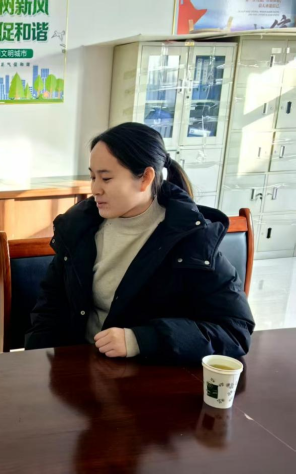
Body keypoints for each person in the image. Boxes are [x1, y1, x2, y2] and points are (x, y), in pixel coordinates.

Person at [25, 122, 254, 363]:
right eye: (92, 177)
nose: (95, 189)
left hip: (147, 373)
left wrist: (141, 340)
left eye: (106, 178)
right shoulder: (78, 226)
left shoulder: (191, 237)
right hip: (79, 367)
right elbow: (50, 305)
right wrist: (36, 363)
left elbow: (235, 331)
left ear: (145, 178)